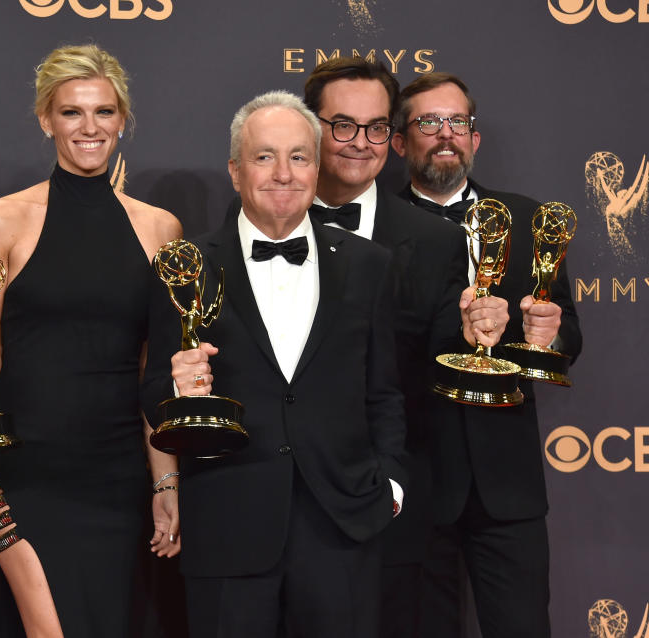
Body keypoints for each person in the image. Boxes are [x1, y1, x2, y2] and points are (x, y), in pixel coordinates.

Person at [143, 90, 407, 637]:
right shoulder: (186, 266)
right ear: (236, 171)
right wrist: (177, 386)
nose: (283, 174)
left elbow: (384, 391)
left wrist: (392, 485)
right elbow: (151, 396)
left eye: (299, 157)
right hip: (227, 520)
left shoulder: (370, 265)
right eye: (264, 157)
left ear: (317, 168)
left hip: (343, 524)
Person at [0, 44, 182, 637]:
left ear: (122, 120)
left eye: (104, 112)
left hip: (117, 472)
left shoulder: (160, 229)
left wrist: (164, 481)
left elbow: (153, 373)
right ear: (46, 119)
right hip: (27, 465)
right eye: (72, 112)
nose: (89, 127)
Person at [389, 72, 583, 638]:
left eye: (458, 122)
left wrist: (550, 337)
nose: (445, 134)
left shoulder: (529, 219)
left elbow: (570, 328)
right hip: (414, 480)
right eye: (428, 122)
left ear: (475, 138)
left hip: (509, 484)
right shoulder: (377, 228)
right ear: (400, 140)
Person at [295, 57, 472, 637]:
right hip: (286, 498)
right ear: (308, 127)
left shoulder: (438, 239)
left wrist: (483, 335)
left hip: (395, 498)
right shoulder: (257, 221)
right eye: (342, 125)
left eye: (375, 128)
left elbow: (444, 366)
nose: (359, 143)